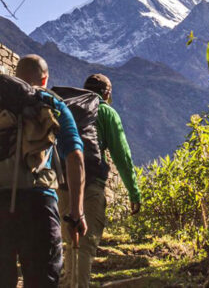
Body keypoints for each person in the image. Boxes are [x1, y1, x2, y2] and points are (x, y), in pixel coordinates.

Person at [0, 54, 87, 288]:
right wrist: (76, 212)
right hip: (37, 205)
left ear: (16, 76)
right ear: (45, 79)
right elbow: (75, 155)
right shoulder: (49, 101)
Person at [57, 73, 141, 288]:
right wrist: (134, 192)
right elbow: (122, 155)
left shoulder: (66, 109)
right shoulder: (106, 112)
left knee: (67, 243)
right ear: (107, 93)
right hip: (91, 185)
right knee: (84, 245)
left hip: (61, 185)